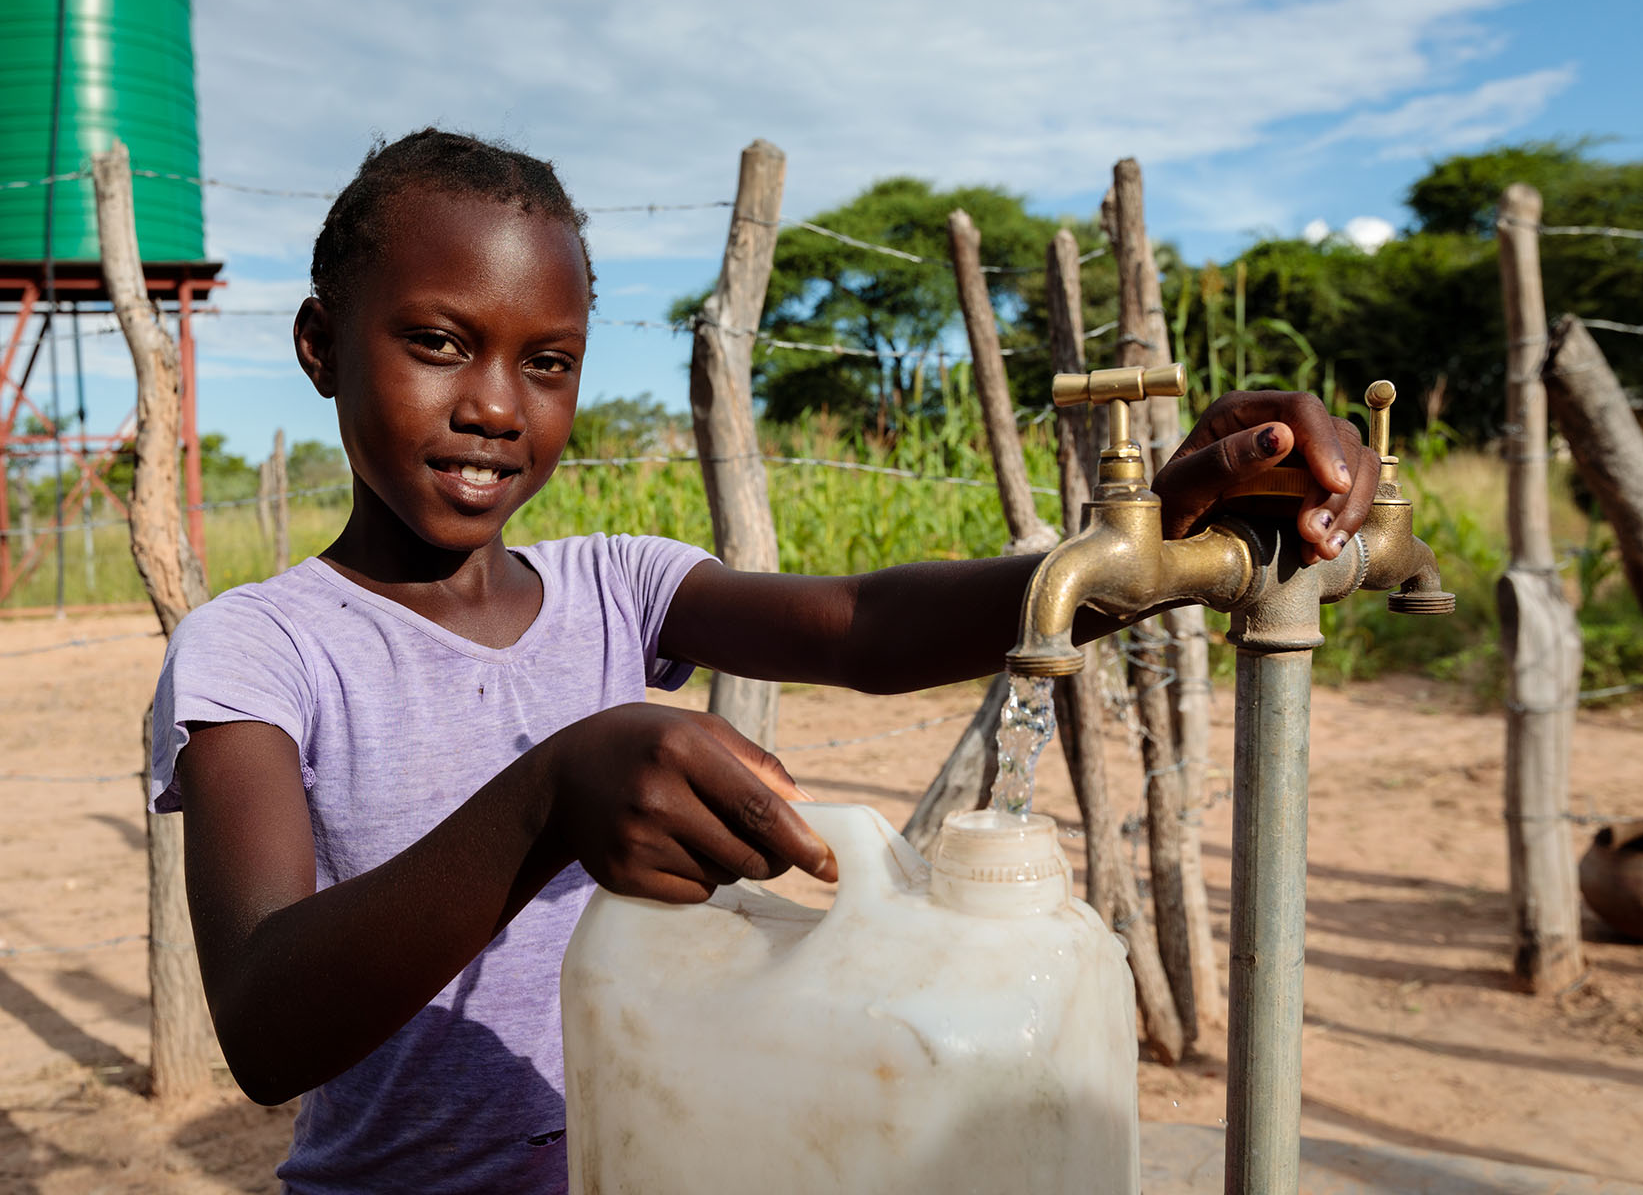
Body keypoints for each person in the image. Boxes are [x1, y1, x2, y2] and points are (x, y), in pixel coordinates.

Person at [150, 128, 1376, 1194]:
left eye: (548, 361)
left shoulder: (613, 587)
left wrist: (1144, 537)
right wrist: (548, 801)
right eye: (437, 342)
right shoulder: (260, 649)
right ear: (320, 345)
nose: (495, 405)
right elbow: (264, 1018)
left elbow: (866, 624)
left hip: (647, 1155)